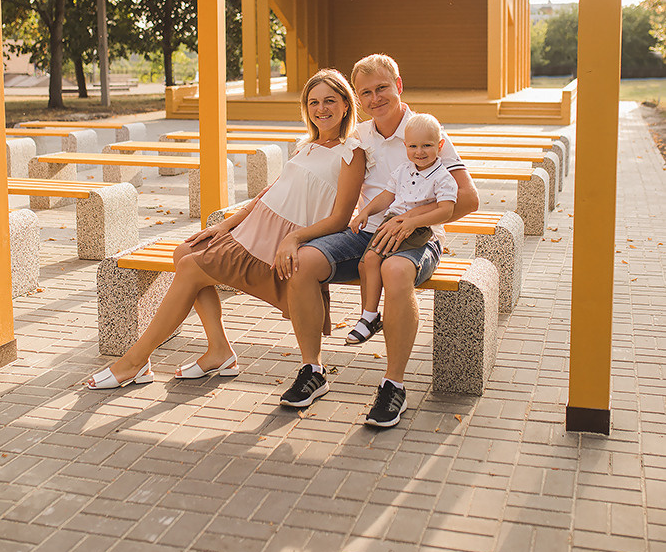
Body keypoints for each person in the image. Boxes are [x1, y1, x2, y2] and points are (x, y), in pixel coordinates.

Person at [86, 69, 365, 391]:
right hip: (253, 230)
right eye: (313, 102)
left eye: (330, 101)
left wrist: (294, 238)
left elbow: (341, 218)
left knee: (191, 268)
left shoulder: (350, 151)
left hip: (277, 245)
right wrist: (224, 225)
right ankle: (218, 350)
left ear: (346, 104)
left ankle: (135, 360)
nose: (321, 109)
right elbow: (269, 194)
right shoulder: (307, 145)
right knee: (184, 252)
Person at [284, 54, 479, 427]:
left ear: (399, 86)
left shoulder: (425, 131)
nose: (375, 98)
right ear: (357, 98)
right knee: (303, 263)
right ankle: (313, 370)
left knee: (395, 270)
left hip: (418, 237)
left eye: (382, 88)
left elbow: (468, 199)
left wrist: (409, 220)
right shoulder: (358, 136)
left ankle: (394, 385)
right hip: (365, 234)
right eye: (366, 93)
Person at [347, 112, 458, 347]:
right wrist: (365, 212)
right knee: (369, 260)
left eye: (427, 145)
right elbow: (387, 196)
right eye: (413, 146)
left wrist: (413, 222)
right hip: (392, 222)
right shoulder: (403, 170)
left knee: (391, 266)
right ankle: (369, 315)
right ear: (405, 146)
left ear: (440, 146)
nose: (420, 152)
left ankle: (382, 318)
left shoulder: (443, 177)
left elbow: (446, 211)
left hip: (418, 229)